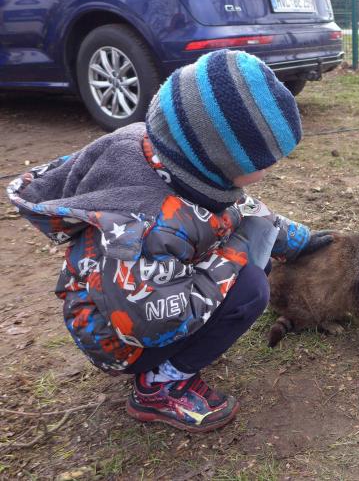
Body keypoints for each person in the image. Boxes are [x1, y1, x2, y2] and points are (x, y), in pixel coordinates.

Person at [7, 49, 332, 432]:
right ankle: (160, 386)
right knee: (251, 288)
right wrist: (238, 253)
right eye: (263, 162)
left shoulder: (176, 160)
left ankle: (178, 357)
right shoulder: (144, 226)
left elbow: (246, 212)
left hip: (140, 293)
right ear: (216, 158)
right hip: (121, 337)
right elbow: (154, 323)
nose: (270, 168)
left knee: (249, 254)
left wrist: (301, 240)